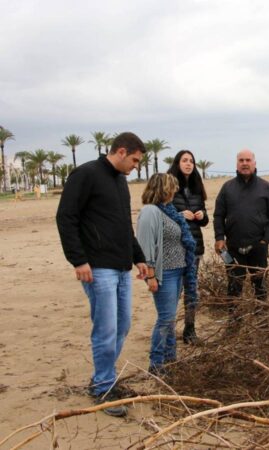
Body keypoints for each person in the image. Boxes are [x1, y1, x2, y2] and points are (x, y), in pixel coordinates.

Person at [56, 132, 148, 418]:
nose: (136, 166)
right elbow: (66, 217)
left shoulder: (121, 183)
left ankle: (102, 377)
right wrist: (78, 260)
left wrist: (139, 258)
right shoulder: (85, 174)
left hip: (121, 267)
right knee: (106, 329)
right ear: (121, 152)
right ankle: (104, 388)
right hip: (97, 268)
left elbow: (124, 226)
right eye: (134, 160)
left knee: (122, 326)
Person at [137, 173, 197, 375]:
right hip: (166, 274)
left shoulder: (168, 211)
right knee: (165, 318)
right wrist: (151, 275)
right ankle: (156, 363)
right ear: (163, 188)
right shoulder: (150, 211)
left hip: (179, 271)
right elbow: (145, 246)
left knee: (170, 318)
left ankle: (170, 358)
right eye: (172, 187)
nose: (175, 191)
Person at [213, 149, 269, 319]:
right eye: (241, 160)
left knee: (260, 287)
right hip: (233, 249)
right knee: (234, 288)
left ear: (254, 163)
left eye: (248, 160)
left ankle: (261, 324)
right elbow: (218, 215)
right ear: (237, 164)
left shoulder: (267, 188)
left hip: (258, 247)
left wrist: (266, 240)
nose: (245, 163)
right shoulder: (227, 188)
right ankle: (234, 323)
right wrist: (219, 237)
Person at [167, 150, 209, 345]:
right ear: (177, 163)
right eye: (184, 160)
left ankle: (189, 330)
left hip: (195, 247)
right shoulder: (168, 188)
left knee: (192, 290)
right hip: (175, 248)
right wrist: (179, 215)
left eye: (191, 161)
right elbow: (162, 214)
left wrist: (202, 216)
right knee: (174, 291)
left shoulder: (196, 188)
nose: (189, 164)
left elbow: (205, 220)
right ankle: (168, 330)